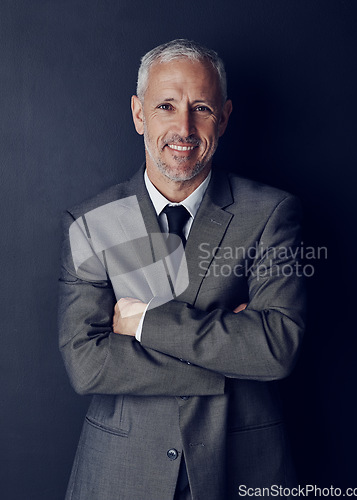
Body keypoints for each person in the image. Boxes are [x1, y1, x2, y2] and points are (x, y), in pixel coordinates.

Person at [58, 39, 306, 500]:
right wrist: (227, 360)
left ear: (225, 116)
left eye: (202, 108)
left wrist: (143, 323)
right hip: (120, 474)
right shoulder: (90, 223)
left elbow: (276, 347)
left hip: (242, 467)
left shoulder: (271, 213)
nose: (184, 127)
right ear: (138, 114)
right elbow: (87, 365)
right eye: (166, 106)